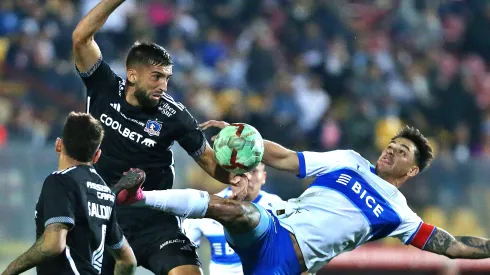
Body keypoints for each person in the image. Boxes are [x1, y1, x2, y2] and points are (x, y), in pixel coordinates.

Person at [115, 121, 490, 275]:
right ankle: (137, 197)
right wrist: (244, 135)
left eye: (402, 152)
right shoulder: (349, 161)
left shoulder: (399, 213)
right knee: (230, 208)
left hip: (284, 265)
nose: (391, 151)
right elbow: (286, 158)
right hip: (274, 230)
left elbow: (453, 247)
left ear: (411, 172)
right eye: (391, 145)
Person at [72, 1, 249, 274]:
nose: (163, 86)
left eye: (167, 78)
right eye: (156, 77)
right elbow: (81, 37)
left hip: (155, 221)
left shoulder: (175, 115)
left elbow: (208, 160)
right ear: (132, 74)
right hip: (102, 216)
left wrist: (235, 177)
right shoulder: (104, 86)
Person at [1, 112, 137, 275]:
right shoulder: (105, 193)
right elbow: (128, 260)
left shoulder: (60, 180)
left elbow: (53, 244)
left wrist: (9, 270)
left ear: (58, 145)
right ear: (97, 155)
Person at [183, 163, 283, 275]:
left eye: (253, 171)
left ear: (263, 177)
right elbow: (183, 253)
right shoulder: (209, 206)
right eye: (241, 171)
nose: (248, 177)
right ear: (231, 175)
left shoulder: (276, 206)